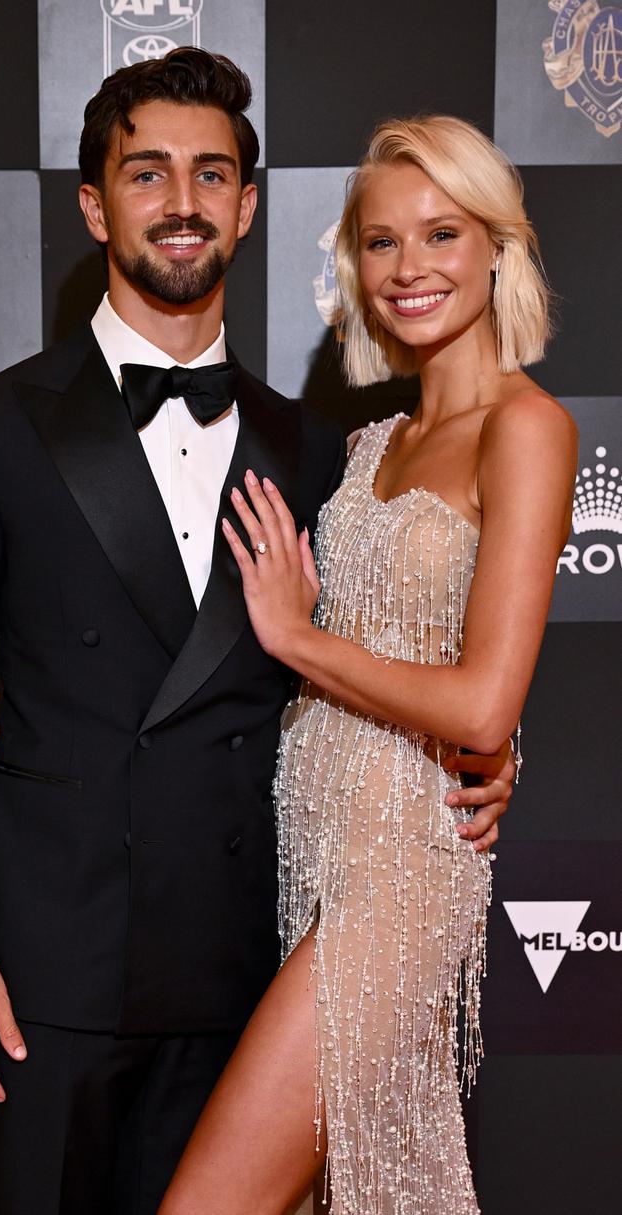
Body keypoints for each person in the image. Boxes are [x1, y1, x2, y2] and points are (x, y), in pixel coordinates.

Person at [0, 51, 514, 1214]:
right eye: (148, 174)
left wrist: (484, 748)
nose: (182, 202)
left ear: (247, 204)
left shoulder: (319, 453)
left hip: (243, 970)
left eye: (211, 174)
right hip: (42, 981)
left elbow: (382, 662)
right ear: (94, 205)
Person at [160, 116, 577, 1215]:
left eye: (442, 233)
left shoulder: (524, 428)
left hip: (400, 876)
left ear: (498, 246)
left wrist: (298, 638)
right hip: (313, 854)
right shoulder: (368, 445)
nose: (410, 269)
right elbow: (418, 654)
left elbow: (485, 699)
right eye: (381, 242)